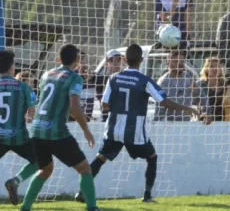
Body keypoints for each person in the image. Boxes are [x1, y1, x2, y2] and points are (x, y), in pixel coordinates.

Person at [74, 44, 202, 204]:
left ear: (124, 59)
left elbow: (104, 105)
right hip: (135, 132)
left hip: (114, 129)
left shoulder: (113, 78)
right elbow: (164, 102)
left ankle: (81, 192)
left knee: (101, 158)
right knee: (152, 157)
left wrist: (118, 105)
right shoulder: (144, 80)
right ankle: (147, 195)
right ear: (141, 60)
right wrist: (187, 108)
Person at [22, 44, 99, 211]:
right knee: (85, 168)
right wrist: (87, 131)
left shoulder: (46, 74)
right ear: (78, 59)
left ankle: (25, 207)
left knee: (45, 170)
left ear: (59, 58)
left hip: (37, 130)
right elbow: (75, 108)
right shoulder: (74, 77)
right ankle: (92, 208)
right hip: (56, 131)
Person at [0, 50, 38, 206]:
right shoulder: (23, 87)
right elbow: (32, 114)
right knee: (41, 161)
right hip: (19, 137)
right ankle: (16, 181)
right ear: (11, 67)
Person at [155, 49, 211, 123]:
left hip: (185, 124)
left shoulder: (187, 77)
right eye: (176, 61)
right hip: (166, 125)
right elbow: (169, 104)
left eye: (182, 61)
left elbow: (201, 95)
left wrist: (207, 112)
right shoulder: (163, 82)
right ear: (168, 63)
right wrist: (188, 109)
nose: (180, 64)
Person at [200, 57, 226, 122]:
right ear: (206, 70)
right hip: (205, 121)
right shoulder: (200, 85)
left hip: (224, 121)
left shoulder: (226, 85)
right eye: (211, 66)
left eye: (217, 66)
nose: (215, 68)